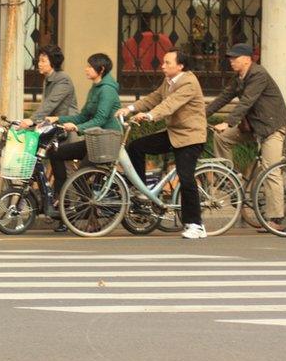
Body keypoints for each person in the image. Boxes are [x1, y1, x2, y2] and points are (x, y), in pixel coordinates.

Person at [117, 49, 208, 239]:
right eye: (163, 62)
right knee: (136, 147)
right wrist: (130, 108)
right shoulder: (168, 81)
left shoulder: (189, 82)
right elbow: (155, 98)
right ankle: (140, 191)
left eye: (167, 63)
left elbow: (170, 104)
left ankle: (196, 225)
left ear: (180, 66)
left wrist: (150, 115)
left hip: (190, 137)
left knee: (186, 178)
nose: (163, 66)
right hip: (174, 133)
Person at [205, 43, 286, 230]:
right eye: (230, 58)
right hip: (254, 127)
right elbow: (223, 98)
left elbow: (247, 101)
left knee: (271, 170)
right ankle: (230, 179)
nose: (231, 61)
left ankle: (276, 219)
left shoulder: (258, 74)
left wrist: (228, 122)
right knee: (222, 138)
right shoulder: (239, 77)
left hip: (271, 128)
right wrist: (200, 115)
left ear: (247, 59)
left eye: (235, 58)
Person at [46, 52, 121, 195]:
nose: (86, 69)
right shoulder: (95, 88)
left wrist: (76, 128)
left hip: (106, 143)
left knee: (78, 177)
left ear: (102, 69)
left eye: (90, 66)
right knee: (55, 153)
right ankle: (61, 198)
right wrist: (57, 119)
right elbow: (83, 116)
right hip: (94, 141)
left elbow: (101, 119)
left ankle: (87, 209)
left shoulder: (107, 90)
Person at [21, 44, 78, 128]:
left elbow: (51, 103)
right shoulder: (48, 78)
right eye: (39, 61)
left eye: (43, 61)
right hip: (53, 125)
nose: (39, 64)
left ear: (53, 62)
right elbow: (45, 105)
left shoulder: (63, 79)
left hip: (67, 126)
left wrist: (32, 120)